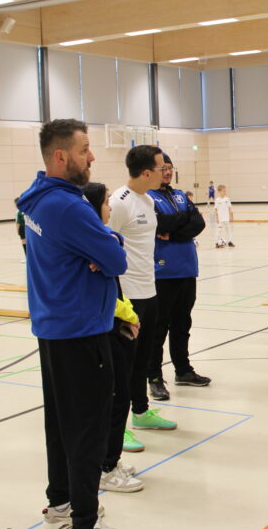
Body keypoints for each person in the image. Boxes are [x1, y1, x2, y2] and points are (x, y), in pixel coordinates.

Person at [16, 118, 138, 529]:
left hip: (53, 328)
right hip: (82, 331)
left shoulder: (37, 197)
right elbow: (116, 260)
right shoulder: (68, 206)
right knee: (87, 429)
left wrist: (100, 244)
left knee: (61, 425)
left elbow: (99, 252)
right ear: (61, 155)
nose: (92, 157)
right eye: (85, 149)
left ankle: (60, 506)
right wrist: (107, 241)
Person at [108, 145, 178, 449]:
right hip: (128, 296)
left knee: (143, 359)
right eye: (162, 168)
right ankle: (117, 427)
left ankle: (140, 412)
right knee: (123, 364)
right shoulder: (119, 203)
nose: (166, 172)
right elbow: (105, 245)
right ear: (147, 172)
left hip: (150, 290)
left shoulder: (148, 200)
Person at [82, 181, 145, 495]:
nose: (110, 207)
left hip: (115, 322)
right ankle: (106, 466)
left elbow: (114, 280)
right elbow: (101, 286)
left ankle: (111, 459)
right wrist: (127, 315)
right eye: (106, 202)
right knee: (116, 398)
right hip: (103, 328)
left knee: (122, 395)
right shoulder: (91, 242)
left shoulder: (104, 238)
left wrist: (127, 313)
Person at [146, 154, 212, 399]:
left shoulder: (180, 195)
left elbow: (199, 223)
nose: (167, 172)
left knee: (182, 324)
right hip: (162, 272)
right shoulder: (147, 198)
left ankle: (183, 370)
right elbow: (158, 224)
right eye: (163, 168)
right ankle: (154, 376)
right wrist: (183, 219)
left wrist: (173, 233)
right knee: (158, 328)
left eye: (170, 168)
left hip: (187, 269)